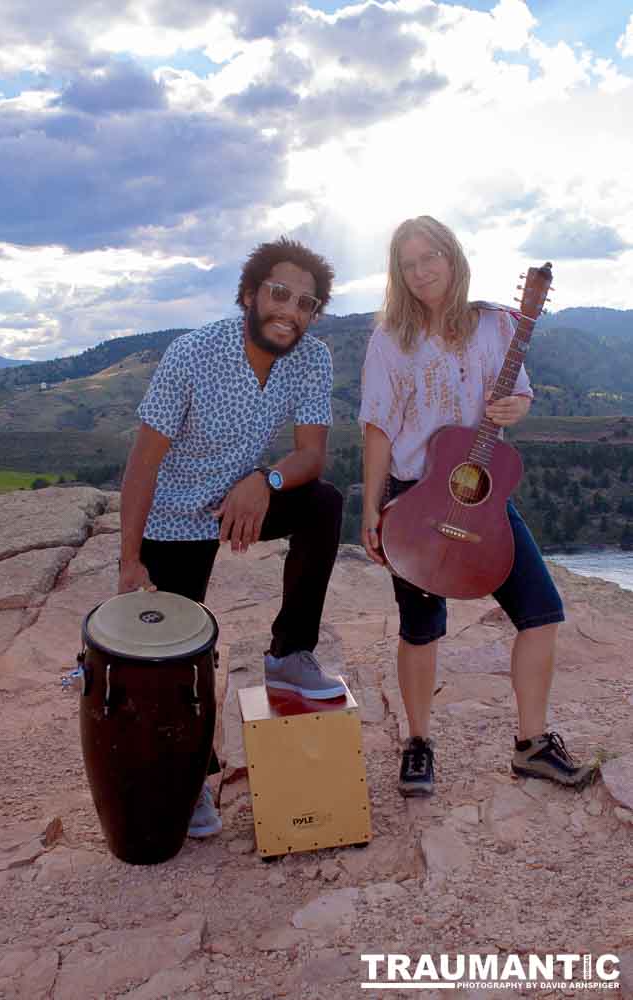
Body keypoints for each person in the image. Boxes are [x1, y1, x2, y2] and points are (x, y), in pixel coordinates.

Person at [118, 237, 346, 838]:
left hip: (243, 500)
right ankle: (190, 778)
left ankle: (290, 655)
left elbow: (311, 454)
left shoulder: (313, 358)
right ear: (248, 294)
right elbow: (142, 464)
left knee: (322, 504)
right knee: (180, 654)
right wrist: (129, 560)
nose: (290, 310)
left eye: (306, 302)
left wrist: (263, 480)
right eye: (279, 293)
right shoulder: (192, 355)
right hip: (174, 515)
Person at [359, 215, 592, 798]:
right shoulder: (391, 338)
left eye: (429, 256)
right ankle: (417, 744)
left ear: (452, 257)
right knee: (420, 629)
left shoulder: (494, 325)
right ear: (398, 273)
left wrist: (515, 408)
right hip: (415, 496)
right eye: (408, 264)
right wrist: (371, 510)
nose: (421, 271)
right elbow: (378, 430)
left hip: (480, 494)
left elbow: (519, 395)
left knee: (541, 612)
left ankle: (532, 746)